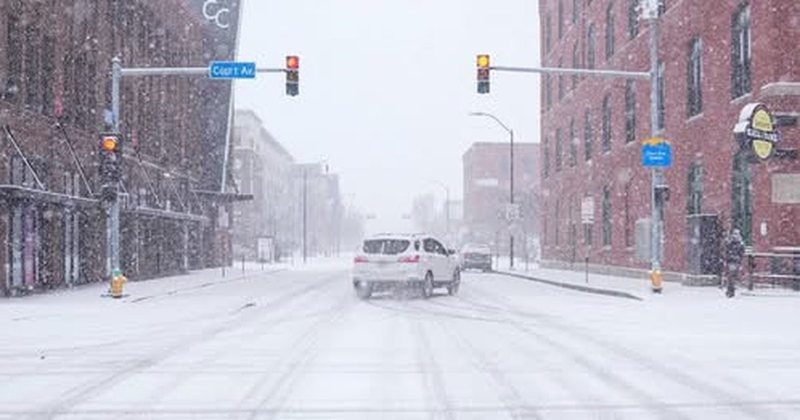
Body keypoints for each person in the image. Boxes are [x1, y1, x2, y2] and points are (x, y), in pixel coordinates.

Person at [725, 228, 745, 298]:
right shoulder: (738, 243)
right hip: (733, 261)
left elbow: (727, 251)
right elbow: (741, 253)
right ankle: (731, 290)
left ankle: (730, 290)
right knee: (732, 277)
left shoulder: (731, 243)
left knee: (731, 277)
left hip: (733, 261)